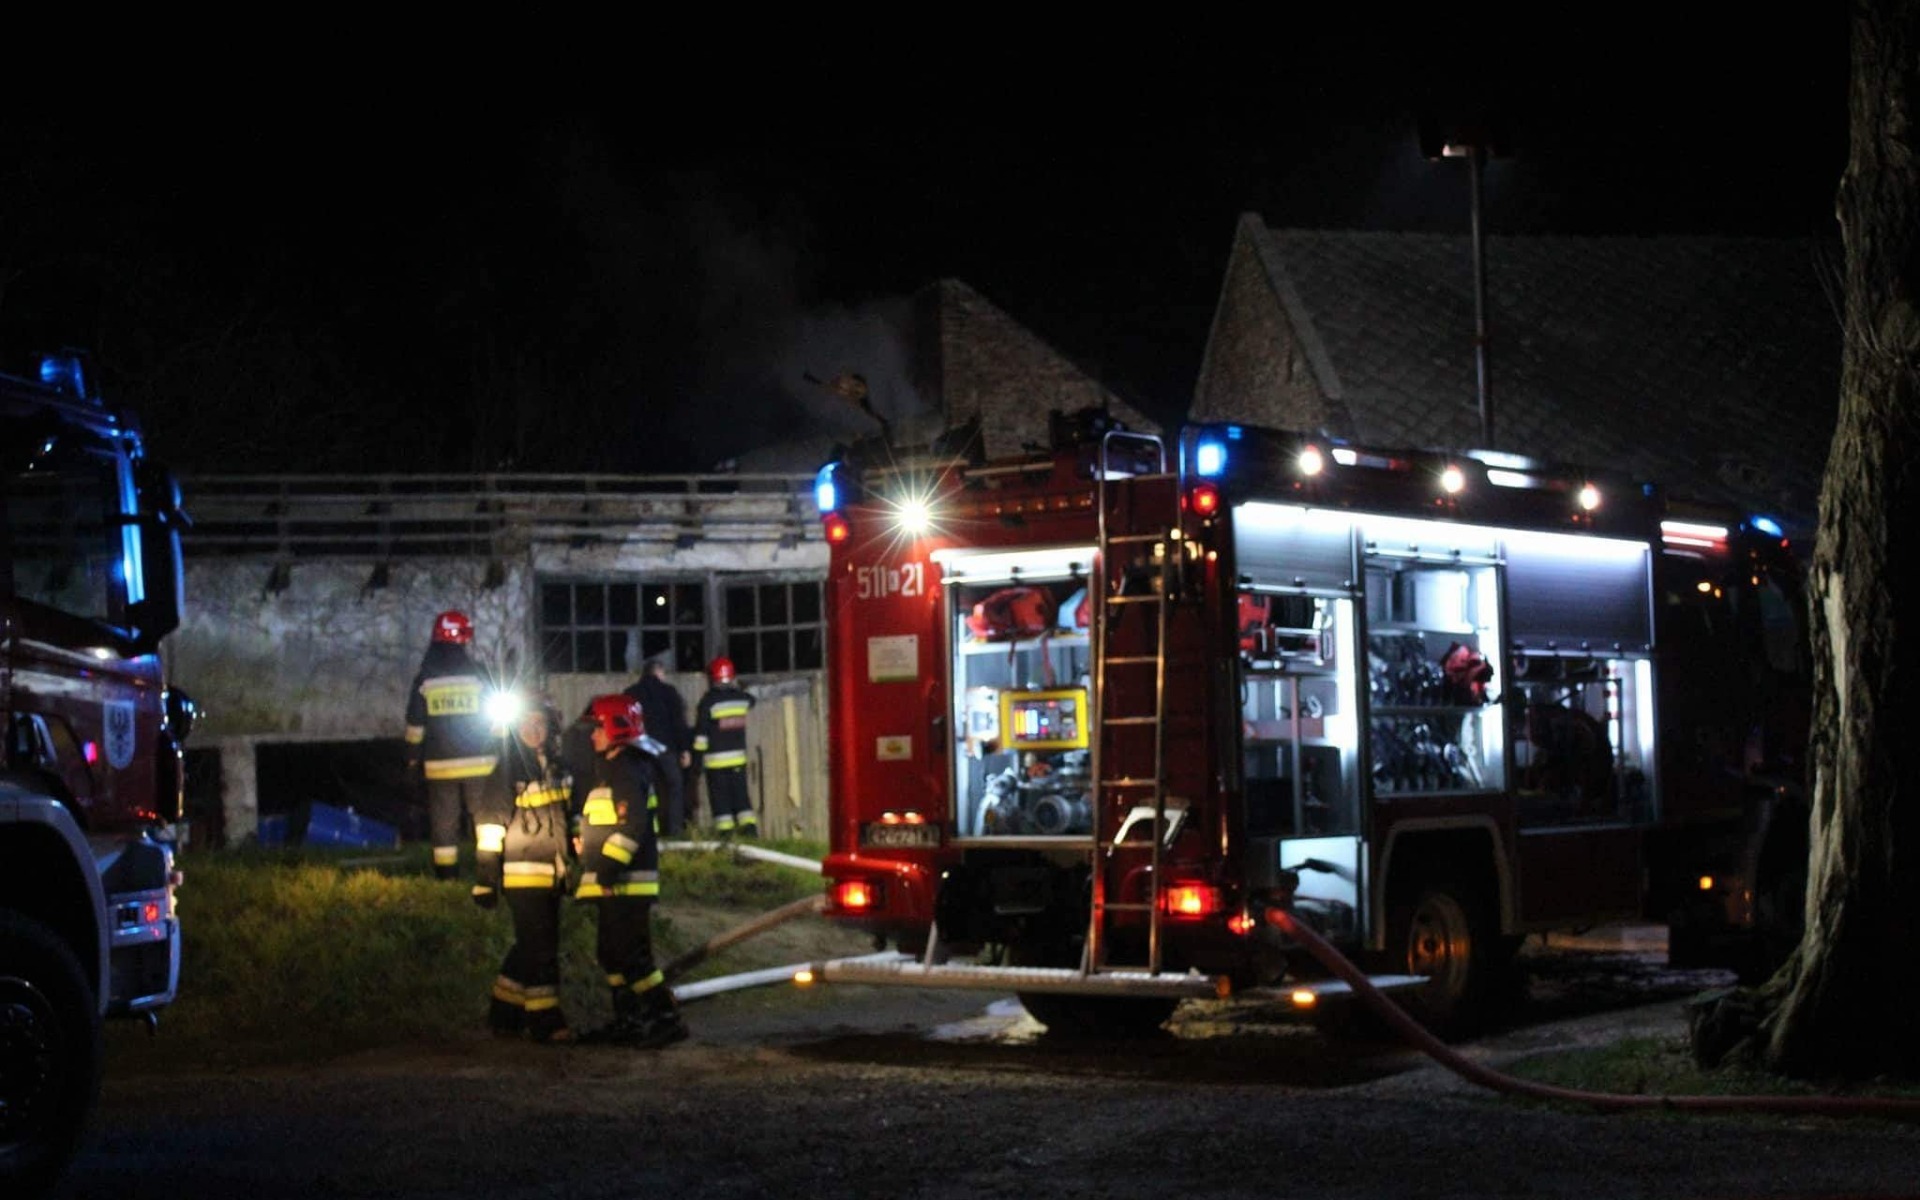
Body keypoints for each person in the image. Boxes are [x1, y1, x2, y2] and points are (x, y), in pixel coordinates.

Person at [573, 694, 687, 1048]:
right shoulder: (613, 767)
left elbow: (632, 826)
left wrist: (607, 870)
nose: (593, 736)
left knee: (632, 958)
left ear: (616, 729)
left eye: (598, 729)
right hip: (613, 881)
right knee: (611, 954)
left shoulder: (625, 768)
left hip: (626, 883)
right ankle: (629, 1021)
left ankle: (666, 1019)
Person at [471, 696, 576, 1044]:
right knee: (541, 948)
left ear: (550, 727)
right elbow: (490, 826)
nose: (533, 730)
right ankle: (545, 1021)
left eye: (539, 723)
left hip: (552, 873)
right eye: (526, 723)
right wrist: (486, 880)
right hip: (522, 873)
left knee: (529, 944)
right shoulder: (508, 769)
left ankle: (504, 1014)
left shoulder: (557, 768)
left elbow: (566, 818)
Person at [403, 610, 499, 880]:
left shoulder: (425, 678)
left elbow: (415, 725)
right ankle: (489, 873)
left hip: (440, 766)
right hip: (480, 764)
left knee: (444, 821)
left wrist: (412, 760)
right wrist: (501, 749)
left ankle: (447, 877)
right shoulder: (479, 675)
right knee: (485, 819)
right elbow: (496, 720)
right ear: (464, 639)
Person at [623, 651, 691, 834]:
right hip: (666, 748)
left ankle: (644, 829)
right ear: (658, 672)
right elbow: (678, 722)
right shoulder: (669, 692)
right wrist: (684, 749)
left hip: (642, 748)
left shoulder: (631, 693)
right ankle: (675, 829)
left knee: (643, 789)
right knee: (674, 786)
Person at [691, 656, 757, 837]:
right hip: (738, 759)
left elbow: (701, 737)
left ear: (712, 678)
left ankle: (725, 834)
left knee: (720, 800)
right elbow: (752, 700)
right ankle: (750, 831)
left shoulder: (708, 702)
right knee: (741, 796)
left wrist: (696, 763)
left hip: (716, 762)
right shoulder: (742, 699)